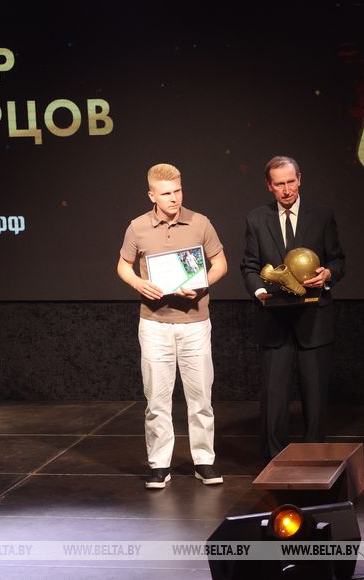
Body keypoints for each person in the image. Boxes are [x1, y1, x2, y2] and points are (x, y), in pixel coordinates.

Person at [117, 163, 228, 489]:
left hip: (195, 322)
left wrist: (202, 282)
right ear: (152, 195)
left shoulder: (200, 222)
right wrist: (139, 283)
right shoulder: (137, 227)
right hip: (155, 324)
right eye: (166, 193)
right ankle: (159, 464)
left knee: (200, 397)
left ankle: (204, 461)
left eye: (178, 191)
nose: (174, 198)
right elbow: (123, 265)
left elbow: (220, 262)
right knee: (156, 399)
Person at [241, 156, 346, 460]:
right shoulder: (256, 219)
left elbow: (338, 260)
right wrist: (259, 291)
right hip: (274, 317)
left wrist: (327, 274)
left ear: (300, 179)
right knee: (273, 394)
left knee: (315, 394)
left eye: (291, 182)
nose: (286, 190)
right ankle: (274, 459)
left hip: (314, 316)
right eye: (279, 184)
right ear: (269, 186)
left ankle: (313, 457)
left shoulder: (322, 216)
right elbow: (249, 266)